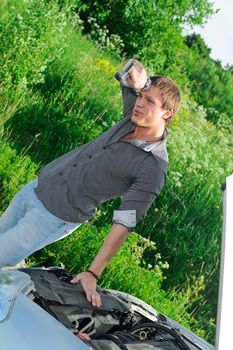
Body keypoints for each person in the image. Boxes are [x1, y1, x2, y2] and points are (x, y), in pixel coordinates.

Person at [0, 60, 181, 307]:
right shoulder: (134, 116)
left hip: (52, 217)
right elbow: (130, 72)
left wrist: (93, 272)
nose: (140, 103)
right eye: (141, 97)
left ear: (167, 113)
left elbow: (124, 222)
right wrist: (141, 83)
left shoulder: (153, 167)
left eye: (150, 101)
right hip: (36, 188)